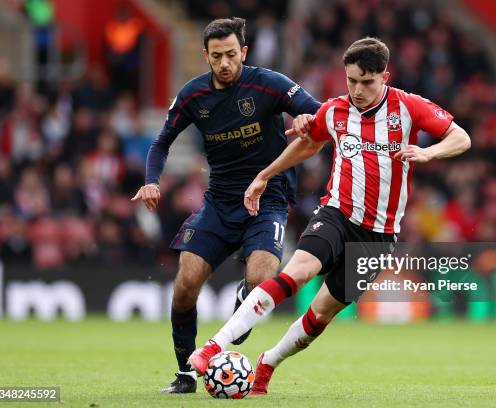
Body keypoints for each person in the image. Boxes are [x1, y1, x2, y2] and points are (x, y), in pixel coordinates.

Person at [188, 37, 471, 394]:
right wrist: (264, 175)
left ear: (386, 75)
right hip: (336, 213)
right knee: (298, 271)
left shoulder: (409, 107)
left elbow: (461, 138)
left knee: (320, 315)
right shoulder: (335, 110)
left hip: (379, 235)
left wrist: (431, 154)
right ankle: (214, 345)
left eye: (367, 82)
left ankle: (268, 363)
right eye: (351, 80)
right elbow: (309, 143)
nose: (357, 89)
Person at [131, 17, 320, 393]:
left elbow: (319, 111)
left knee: (261, 282)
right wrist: (151, 181)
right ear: (206, 56)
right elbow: (161, 142)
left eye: (231, 54)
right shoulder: (192, 95)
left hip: (268, 198)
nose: (224, 63)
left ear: (244, 52)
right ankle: (185, 374)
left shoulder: (268, 83)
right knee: (185, 284)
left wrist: (305, 117)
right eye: (216, 56)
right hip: (220, 201)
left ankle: (244, 299)